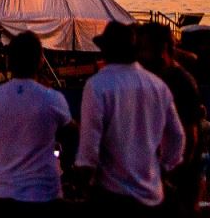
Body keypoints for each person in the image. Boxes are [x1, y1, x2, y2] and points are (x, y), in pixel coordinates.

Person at [75, 20, 185, 215]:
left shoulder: (98, 85)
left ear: (106, 51)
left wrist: (85, 181)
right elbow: (177, 137)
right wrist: (163, 168)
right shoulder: (157, 85)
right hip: (152, 194)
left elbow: (89, 145)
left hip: (112, 194)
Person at [0, 31, 72, 217]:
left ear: (9, 61)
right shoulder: (53, 99)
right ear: (40, 60)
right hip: (45, 195)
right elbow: (74, 137)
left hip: (3, 196)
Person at [138, 22, 202, 217]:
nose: (141, 54)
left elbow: (190, 138)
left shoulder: (180, 81)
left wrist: (171, 175)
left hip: (179, 178)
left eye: (145, 48)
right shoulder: (156, 78)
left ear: (162, 48)